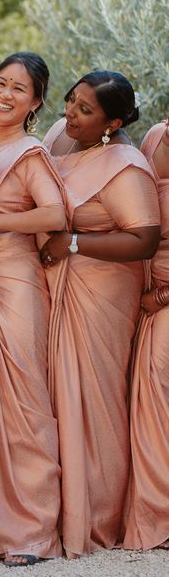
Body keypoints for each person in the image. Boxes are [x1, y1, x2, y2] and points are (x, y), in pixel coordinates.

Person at [40, 71, 160, 558]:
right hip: (55, 288)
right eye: (70, 101)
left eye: (85, 111)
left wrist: (72, 242)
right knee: (54, 399)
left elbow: (144, 239)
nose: (70, 113)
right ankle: (54, 511)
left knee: (94, 402)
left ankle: (96, 516)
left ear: (112, 122)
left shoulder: (126, 166)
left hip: (101, 293)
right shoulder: (61, 144)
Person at [0, 53, 66, 566]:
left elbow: (55, 214)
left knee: (23, 401)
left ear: (35, 103)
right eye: (0, 83)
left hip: (15, 282)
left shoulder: (28, 152)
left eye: (19, 89)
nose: (5, 95)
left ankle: (31, 531)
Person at [123, 113, 169, 552]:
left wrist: (165, 296)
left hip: (166, 298)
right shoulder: (155, 137)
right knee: (144, 401)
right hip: (145, 290)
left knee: (156, 384)